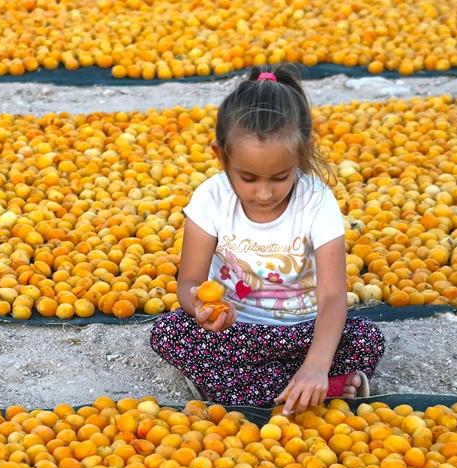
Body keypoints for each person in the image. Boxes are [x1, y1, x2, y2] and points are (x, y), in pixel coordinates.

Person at [149, 65, 385, 416]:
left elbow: (333, 296)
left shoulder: (316, 201)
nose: (264, 193)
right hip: (236, 331)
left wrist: (316, 364)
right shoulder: (210, 199)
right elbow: (189, 282)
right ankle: (320, 388)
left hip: (302, 332)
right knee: (169, 332)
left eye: (280, 177)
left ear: (301, 154)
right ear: (221, 156)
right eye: (248, 178)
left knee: (365, 338)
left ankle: (254, 386)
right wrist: (199, 309)